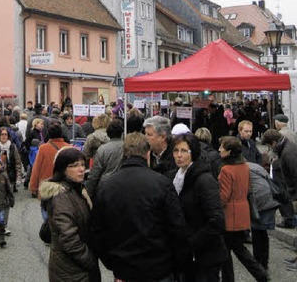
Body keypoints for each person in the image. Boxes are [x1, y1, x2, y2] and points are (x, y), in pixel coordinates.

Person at [92, 132, 189, 282]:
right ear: (147, 153)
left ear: (124, 153)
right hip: (158, 267)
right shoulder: (162, 183)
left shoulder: (106, 186)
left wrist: (111, 263)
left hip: (124, 267)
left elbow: (97, 231)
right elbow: (177, 227)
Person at [167, 133, 228, 282]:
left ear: (193, 152)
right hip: (186, 256)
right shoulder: (176, 177)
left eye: (184, 151)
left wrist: (193, 242)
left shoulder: (204, 180)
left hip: (206, 256)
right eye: (176, 151)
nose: (179, 155)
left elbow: (217, 220)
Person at [40, 147, 101, 281]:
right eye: (74, 166)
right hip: (70, 270)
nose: (81, 169)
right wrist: (89, 259)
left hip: (76, 267)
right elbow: (69, 238)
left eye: (82, 164)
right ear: (63, 169)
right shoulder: (61, 196)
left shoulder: (77, 189)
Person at [262, 129, 297, 272]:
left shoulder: (288, 153)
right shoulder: (287, 148)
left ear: (274, 143)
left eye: (269, 146)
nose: (270, 149)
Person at [218, 136, 268, 282]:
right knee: (237, 249)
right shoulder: (244, 166)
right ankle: (260, 274)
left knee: (233, 251)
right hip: (242, 212)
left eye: (222, 147)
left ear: (229, 152)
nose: (219, 149)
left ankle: (260, 275)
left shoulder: (226, 170)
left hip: (230, 215)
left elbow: (224, 196)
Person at [248, 161, 281, 271]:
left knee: (257, 232)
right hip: (269, 198)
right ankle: (264, 262)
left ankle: (259, 263)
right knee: (262, 232)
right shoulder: (255, 166)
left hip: (259, 201)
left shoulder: (242, 169)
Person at [29, 121, 70, 204]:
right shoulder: (68, 148)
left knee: (47, 211)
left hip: (46, 186)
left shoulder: (43, 148)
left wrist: (33, 187)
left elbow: (36, 168)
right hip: (64, 185)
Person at [85, 119, 125, 200]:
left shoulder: (102, 149)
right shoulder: (127, 147)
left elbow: (95, 173)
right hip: (123, 186)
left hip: (105, 187)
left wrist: (88, 193)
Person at [0, 126, 23, 192]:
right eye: (2, 134)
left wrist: (18, 178)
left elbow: (18, 163)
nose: (4, 136)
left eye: (5, 134)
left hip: (10, 176)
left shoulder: (13, 147)